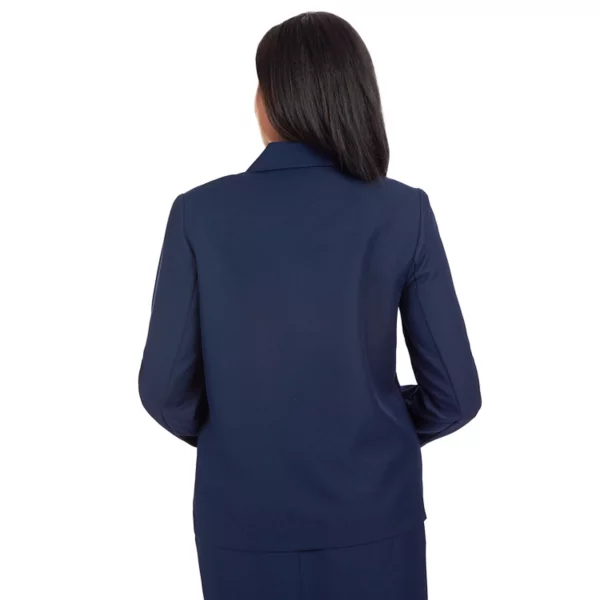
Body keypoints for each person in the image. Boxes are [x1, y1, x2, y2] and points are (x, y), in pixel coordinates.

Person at [138, 10, 481, 600]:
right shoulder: (403, 212)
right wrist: (370, 419)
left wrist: (243, 429)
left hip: (241, 523)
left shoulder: (199, 214)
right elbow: (455, 394)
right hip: (375, 517)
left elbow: (164, 389)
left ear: (273, 98)